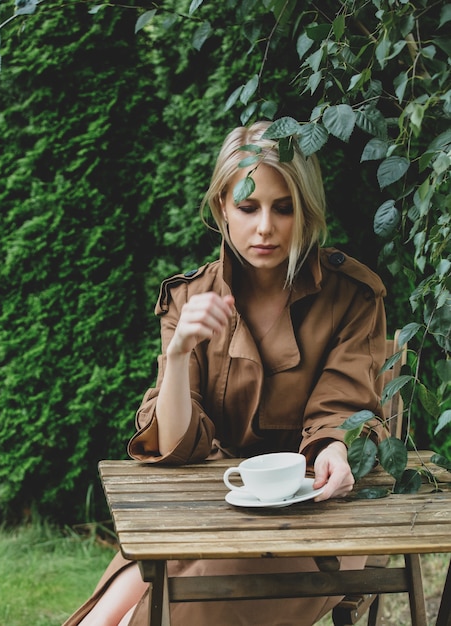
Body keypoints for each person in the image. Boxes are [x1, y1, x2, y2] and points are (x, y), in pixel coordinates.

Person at [63, 121, 388, 626]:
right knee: (103, 618)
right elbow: (174, 446)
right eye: (248, 207)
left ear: (307, 211)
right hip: (205, 517)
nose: (265, 228)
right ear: (222, 209)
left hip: (319, 523)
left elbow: (342, 410)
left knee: (148, 612)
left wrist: (337, 451)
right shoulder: (190, 298)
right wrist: (176, 357)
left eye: (285, 208)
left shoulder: (352, 295)